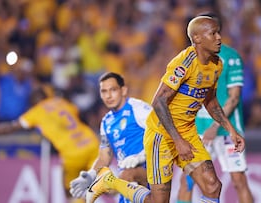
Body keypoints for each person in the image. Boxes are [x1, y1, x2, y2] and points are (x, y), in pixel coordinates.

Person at [84, 15, 245, 203]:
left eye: (219, 32)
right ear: (198, 38)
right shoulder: (184, 63)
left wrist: (231, 130)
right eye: (213, 33)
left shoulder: (216, 65)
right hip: (162, 135)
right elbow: (159, 101)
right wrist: (178, 141)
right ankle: (109, 181)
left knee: (213, 186)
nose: (219, 37)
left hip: (187, 133)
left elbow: (210, 102)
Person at [177, 14, 254, 203]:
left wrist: (214, 127)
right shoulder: (189, 59)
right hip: (198, 130)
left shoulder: (231, 57)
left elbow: (234, 98)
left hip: (228, 130)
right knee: (187, 179)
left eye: (216, 31)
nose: (216, 35)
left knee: (238, 181)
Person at [0, 85, 99, 203]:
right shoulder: (60, 101)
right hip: (92, 144)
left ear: (33, 103)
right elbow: (76, 113)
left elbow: (11, 127)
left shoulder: (36, 111)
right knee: (100, 182)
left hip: (73, 153)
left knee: (71, 192)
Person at [69, 72, 152, 203]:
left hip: (150, 172)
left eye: (113, 90)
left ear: (123, 90)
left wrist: (141, 156)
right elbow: (104, 157)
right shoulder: (106, 122)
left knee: (127, 174)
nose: (108, 95)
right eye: (104, 91)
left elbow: (161, 132)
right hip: (128, 183)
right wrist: (90, 175)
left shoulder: (138, 108)